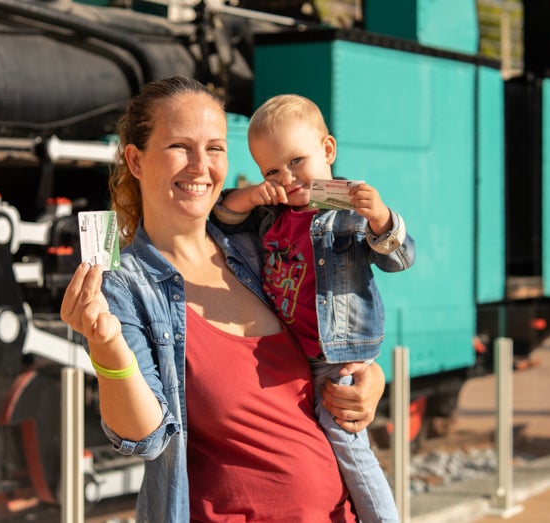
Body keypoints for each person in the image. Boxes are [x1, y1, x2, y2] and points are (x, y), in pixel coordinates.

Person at [61, 76, 387, 522]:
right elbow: (146, 437)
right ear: (135, 160)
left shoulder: (261, 245)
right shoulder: (122, 284)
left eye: (214, 148)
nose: (201, 167)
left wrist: (368, 377)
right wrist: (106, 347)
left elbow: (325, 323)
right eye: (180, 146)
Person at [210, 94, 415, 523]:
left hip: (335, 349)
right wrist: (253, 193)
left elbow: (399, 259)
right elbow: (222, 216)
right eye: (272, 169)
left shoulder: (342, 205)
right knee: (315, 443)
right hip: (294, 352)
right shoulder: (271, 213)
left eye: (297, 161)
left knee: (345, 438)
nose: (287, 178)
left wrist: (380, 218)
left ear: (328, 150)